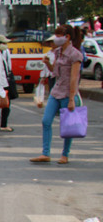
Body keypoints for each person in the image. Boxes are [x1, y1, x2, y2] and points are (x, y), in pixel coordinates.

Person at [30, 24, 84, 165]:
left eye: (59, 36)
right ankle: (45, 153)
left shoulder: (75, 55)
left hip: (68, 93)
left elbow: (74, 78)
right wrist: (48, 64)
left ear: (67, 37)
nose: (56, 39)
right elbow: (55, 72)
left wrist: (71, 99)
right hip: (56, 91)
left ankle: (65, 155)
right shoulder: (57, 52)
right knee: (46, 120)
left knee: (68, 126)